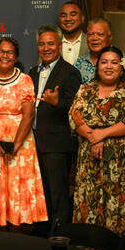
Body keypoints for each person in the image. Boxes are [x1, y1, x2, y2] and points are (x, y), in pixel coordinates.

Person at [69, 45, 125, 250]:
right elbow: (75, 116)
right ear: (97, 66)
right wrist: (91, 136)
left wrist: (102, 134)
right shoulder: (85, 89)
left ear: (121, 68)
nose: (109, 66)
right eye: (104, 62)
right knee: (91, 205)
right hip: (91, 163)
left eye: (114, 62)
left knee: (124, 209)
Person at [0, 37, 47, 230]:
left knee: (18, 191)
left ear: (16, 57)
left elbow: (29, 113)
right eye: (1, 52)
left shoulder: (24, 80)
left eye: (9, 52)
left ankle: (18, 241)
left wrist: (16, 144)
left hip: (20, 145)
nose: (5, 56)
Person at [28, 25, 81, 237]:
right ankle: (43, 229)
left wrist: (58, 102)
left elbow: (76, 107)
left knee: (58, 192)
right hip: (35, 141)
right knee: (42, 191)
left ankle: (59, 235)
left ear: (59, 45)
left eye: (51, 43)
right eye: (42, 44)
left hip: (57, 144)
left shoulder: (70, 73)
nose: (46, 48)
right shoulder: (33, 72)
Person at [74, 17, 125, 85]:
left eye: (100, 34)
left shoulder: (122, 60)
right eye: (91, 34)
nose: (95, 38)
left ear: (110, 37)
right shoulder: (79, 63)